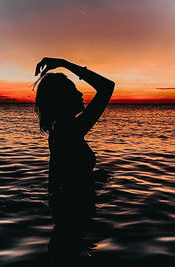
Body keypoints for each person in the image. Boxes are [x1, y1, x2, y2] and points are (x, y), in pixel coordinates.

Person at [34, 57, 115, 266]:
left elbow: (55, 179)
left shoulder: (58, 132)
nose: (80, 94)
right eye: (73, 91)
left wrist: (91, 177)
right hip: (76, 216)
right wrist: (63, 62)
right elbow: (107, 87)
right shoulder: (69, 131)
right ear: (62, 99)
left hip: (69, 215)